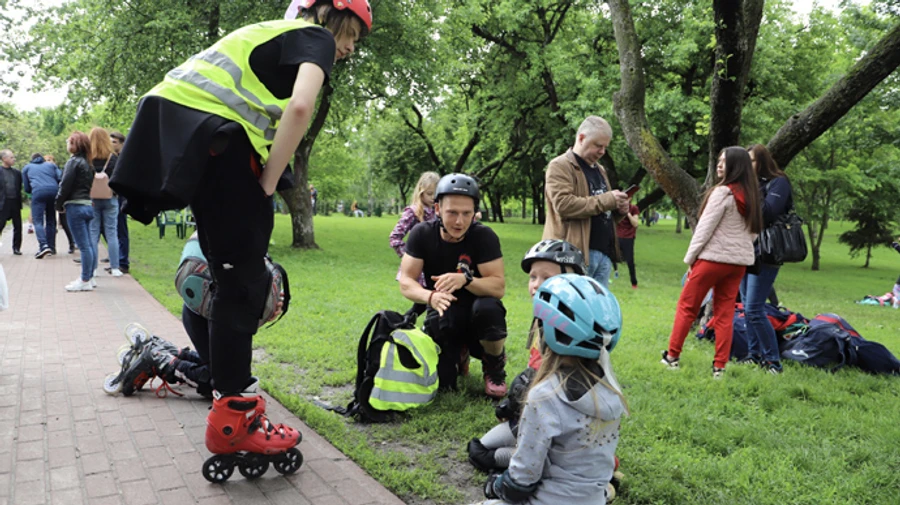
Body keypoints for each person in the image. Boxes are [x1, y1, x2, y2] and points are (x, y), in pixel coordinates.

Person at [108, 0, 372, 478]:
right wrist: (269, 182)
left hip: (190, 135)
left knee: (226, 274)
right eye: (351, 32)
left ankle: (228, 398)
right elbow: (300, 107)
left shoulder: (269, 35)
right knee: (243, 285)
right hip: (220, 145)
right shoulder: (313, 35)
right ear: (326, 13)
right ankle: (235, 421)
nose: (350, 47)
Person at [476, 274, 627, 505]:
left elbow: (522, 479)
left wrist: (497, 485)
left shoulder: (545, 396)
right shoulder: (612, 392)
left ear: (548, 332)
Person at [468, 239, 587, 471]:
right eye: (533, 277)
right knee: (480, 447)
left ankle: (581, 465)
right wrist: (516, 404)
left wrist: (520, 401)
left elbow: (565, 390)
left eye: (547, 278)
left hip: (562, 423)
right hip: (538, 415)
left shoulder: (574, 329)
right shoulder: (544, 319)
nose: (536, 285)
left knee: (485, 456)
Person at [399, 173, 509, 398]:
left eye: (467, 213)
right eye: (452, 213)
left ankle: (494, 364)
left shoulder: (484, 236)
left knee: (489, 308)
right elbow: (406, 281)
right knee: (445, 385)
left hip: (479, 313)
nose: (459, 222)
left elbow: (498, 287)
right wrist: (430, 297)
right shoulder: (422, 234)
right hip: (444, 309)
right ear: (437, 209)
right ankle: (459, 354)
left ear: (474, 212)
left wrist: (466, 280)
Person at [661, 147, 762, 378]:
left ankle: (672, 357)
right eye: (719, 160)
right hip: (737, 264)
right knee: (724, 313)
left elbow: (704, 229)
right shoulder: (752, 195)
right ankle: (719, 367)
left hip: (711, 260)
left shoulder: (722, 193)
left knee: (687, 307)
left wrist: (691, 258)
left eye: (724, 162)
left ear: (736, 166)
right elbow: (754, 233)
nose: (719, 165)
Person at [543, 116, 629, 290]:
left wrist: (619, 210)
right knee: (570, 305)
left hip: (604, 256)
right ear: (581, 138)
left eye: (605, 147)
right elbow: (563, 205)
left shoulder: (600, 170)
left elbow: (601, 212)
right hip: (572, 255)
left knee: (597, 307)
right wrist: (608, 200)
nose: (602, 152)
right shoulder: (560, 165)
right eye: (598, 145)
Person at [736, 144, 795, 373]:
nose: (747, 166)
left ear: (761, 161)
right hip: (746, 250)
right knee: (746, 307)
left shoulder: (778, 182)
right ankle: (754, 355)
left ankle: (773, 362)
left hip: (767, 251)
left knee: (754, 308)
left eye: (751, 161)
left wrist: (750, 188)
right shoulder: (749, 185)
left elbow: (768, 212)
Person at [56, 132, 96, 292]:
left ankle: (84, 279)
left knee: (83, 246)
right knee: (89, 244)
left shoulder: (73, 162)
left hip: (75, 206)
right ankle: (90, 277)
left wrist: (58, 203)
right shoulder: (88, 164)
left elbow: (65, 185)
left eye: (69, 141)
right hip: (87, 205)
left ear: (74, 145)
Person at [389, 171, 439, 288]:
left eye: (436, 194)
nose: (433, 197)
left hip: (437, 265)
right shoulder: (413, 212)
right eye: (429, 193)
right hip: (418, 269)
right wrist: (409, 257)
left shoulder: (441, 212)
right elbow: (395, 237)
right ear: (421, 192)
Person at [88, 127, 124, 278]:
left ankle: (93, 268)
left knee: (93, 233)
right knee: (112, 233)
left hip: (92, 200)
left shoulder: (88, 158)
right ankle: (115, 267)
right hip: (110, 198)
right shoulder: (113, 158)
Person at [22, 153, 61, 257]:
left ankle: (43, 245)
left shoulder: (27, 168)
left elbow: (26, 187)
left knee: (38, 221)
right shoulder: (51, 165)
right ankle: (51, 247)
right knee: (51, 219)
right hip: (53, 191)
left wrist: (32, 191)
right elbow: (60, 177)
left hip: (38, 192)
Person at [110, 131, 130, 274]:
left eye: (114, 142)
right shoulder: (114, 157)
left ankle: (123, 262)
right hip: (116, 196)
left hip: (122, 197)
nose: (111, 145)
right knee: (115, 228)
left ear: (122, 143)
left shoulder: (124, 158)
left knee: (121, 228)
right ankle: (116, 258)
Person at [0, 149, 24, 255]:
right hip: (3, 202)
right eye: (11, 157)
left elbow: (19, 187)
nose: (14, 159)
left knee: (18, 226)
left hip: (15, 202)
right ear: (4, 159)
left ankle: (16, 248)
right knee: (1, 224)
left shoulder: (17, 173)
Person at [615, 199, 640, 289]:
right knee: (610, 257)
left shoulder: (633, 208)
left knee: (630, 261)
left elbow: (635, 224)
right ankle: (613, 275)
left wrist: (628, 214)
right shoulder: (617, 207)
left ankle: (634, 283)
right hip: (617, 236)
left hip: (628, 238)